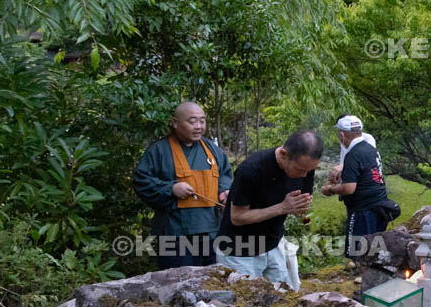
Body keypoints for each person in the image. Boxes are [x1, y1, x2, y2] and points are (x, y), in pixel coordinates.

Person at [133, 102, 233, 269]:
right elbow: (141, 181)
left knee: (212, 283)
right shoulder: (159, 150)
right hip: (175, 234)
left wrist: (224, 191)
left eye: (202, 121)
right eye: (192, 121)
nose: (199, 126)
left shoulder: (212, 150)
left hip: (211, 231)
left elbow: (225, 174)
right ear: (175, 122)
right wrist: (170, 188)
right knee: (178, 285)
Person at [215, 130, 322, 283]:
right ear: (284, 154)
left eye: (309, 170)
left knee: (282, 299)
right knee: (245, 304)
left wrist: (298, 208)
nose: (304, 176)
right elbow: (237, 217)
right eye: (300, 170)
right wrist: (283, 208)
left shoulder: (305, 168)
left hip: (272, 244)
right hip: (238, 251)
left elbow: (299, 203)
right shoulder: (252, 169)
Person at [322, 115, 390, 259]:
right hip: (379, 205)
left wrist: (329, 189)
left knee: (359, 253)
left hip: (363, 210)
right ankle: (375, 278)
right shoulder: (370, 149)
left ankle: (366, 277)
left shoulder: (353, 154)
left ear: (341, 134)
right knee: (374, 250)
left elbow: (349, 188)